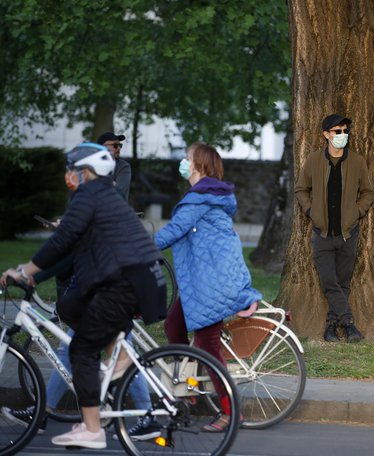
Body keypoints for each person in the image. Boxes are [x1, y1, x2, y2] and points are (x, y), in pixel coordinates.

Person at [0, 143, 165, 449]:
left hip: (125, 283)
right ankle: (121, 352)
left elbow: (63, 239)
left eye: (71, 169)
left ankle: (92, 428)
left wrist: (26, 270)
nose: (68, 175)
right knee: (68, 305)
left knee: (80, 350)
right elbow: (76, 241)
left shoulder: (88, 195)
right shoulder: (103, 196)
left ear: (85, 172)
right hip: (135, 280)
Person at [154, 141, 260, 432]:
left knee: (208, 346)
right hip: (200, 284)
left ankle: (230, 411)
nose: (183, 162)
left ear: (199, 165)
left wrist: (138, 247)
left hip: (211, 287)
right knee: (174, 325)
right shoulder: (203, 197)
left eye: (187, 158)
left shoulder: (200, 199)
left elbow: (174, 231)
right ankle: (186, 388)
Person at [294, 114, 374, 343]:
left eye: (344, 131)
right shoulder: (314, 161)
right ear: (326, 135)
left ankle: (332, 328)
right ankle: (349, 325)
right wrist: (312, 211)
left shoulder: (357, 161)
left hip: (348, 233)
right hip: (322, 233)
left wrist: (356, 212)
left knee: (343, 283)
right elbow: (301, 189)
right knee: (329, 281)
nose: (342, 135)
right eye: (337, 131)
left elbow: (369, 193)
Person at [97, 131, 131, 200]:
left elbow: (118, 193)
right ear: (102, 147)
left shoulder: (123, 166)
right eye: (115, 145)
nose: (119, 148)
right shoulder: (90, 165)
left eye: (120, 145)